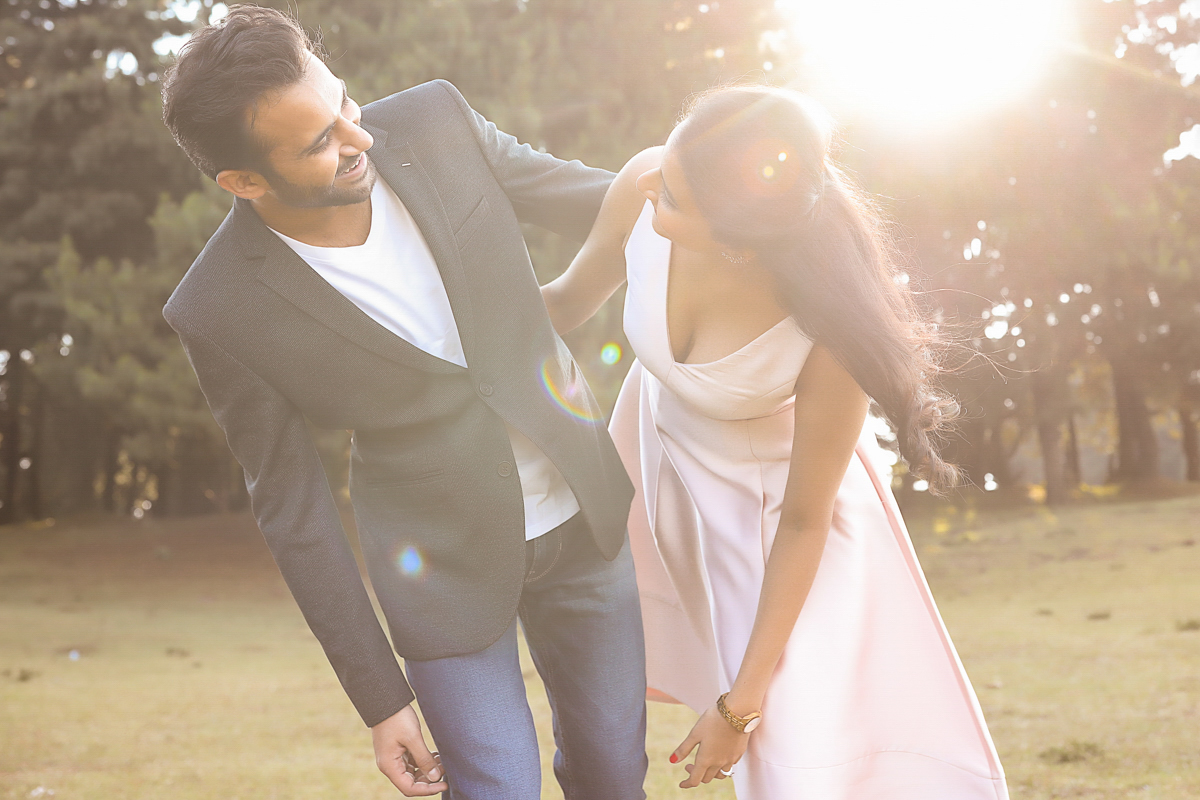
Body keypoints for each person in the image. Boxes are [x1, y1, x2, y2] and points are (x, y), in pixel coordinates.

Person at [159, 7, 647, 799]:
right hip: (439, 576)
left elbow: (598, 199)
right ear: (243, 182)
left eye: (343, 105)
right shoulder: (215, 309)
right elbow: (293, 509)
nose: (360, 139)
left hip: (581, 522)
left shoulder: (434, 119)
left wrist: (721, 190)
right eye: (319, 142)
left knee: (615, 776)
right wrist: (380, 699)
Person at [542, 85, 1010, 799]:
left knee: (795, 750)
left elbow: (804, 519)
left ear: (736, 244)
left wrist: (739, 705)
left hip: (782, 524)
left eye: (672, 198)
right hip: (665, 473)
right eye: (664, 165)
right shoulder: (644, 183)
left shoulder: (830, 324)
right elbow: (568, 300)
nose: (647, 189)